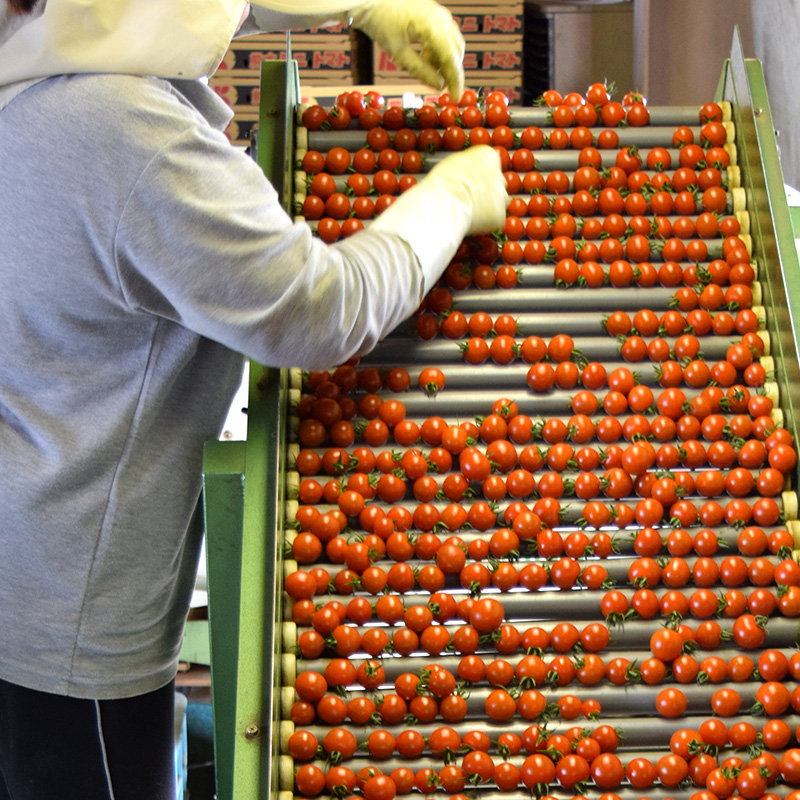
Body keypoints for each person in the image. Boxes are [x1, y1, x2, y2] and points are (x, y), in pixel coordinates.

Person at [0, 0, 506, 797]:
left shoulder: (32, 69)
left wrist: (356, 5)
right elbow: (321, 311)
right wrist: (450, 199)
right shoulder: (129, 135)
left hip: (26, 563)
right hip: (71, 630)